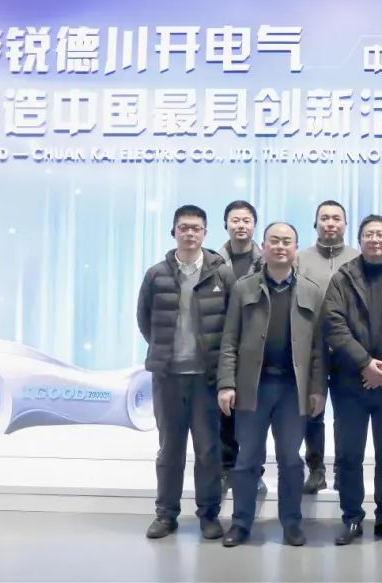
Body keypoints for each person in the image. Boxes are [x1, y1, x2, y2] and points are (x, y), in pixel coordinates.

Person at [216, 222, 326, 547]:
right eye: (274, 241)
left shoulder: (311, 291)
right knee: (247, 458)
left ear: (295, 248)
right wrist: (226, 383)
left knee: (290, 459)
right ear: (263, 246)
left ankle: (291, 524)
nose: (280, 246)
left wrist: (317, 389)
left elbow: (318, 349)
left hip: (293, 389)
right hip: (253, 387)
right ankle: (241, 524)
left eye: (286, 241)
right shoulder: (244, 288)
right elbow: (229, 340)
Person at [320, 215, 382, 546]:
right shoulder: (343, 277)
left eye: (380, 234)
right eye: (368, 234)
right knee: (348, 454)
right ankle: (351, 518)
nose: (374, 239)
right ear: (360, 240)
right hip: (349, 382)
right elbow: (333, 323)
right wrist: (364, 363)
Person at [137, 205, 235, 540]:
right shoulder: (156, 275)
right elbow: (145, 320)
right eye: (183, 228)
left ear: (205, 233)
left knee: (208, 450)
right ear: (174, 232)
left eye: (196, 228)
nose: (190, 233)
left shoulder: (222, 275)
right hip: (168, 377)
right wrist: (164, 351)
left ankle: (209, 515)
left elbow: (231, 325)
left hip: (206, 379)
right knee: (170, 450)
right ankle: (166, 515)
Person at [295, 200, 360, 494]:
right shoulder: (299, 259)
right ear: (316, 223)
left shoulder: (358, 258)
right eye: (324, 218)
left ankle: (343, 471)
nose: (330, 223)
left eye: (336, 218)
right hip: (310, 347)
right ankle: (316, 469)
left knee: (346, 416)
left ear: (345, 224)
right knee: (312, 412)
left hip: (348, 348)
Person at [216, 200, 265, 494]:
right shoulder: (213, 262)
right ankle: (225, 469)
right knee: (225, 412)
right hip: (222, 346)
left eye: (246, 220)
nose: (241, 225)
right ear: (226, 225)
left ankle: (253, 471)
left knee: (253, 416)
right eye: (235, 220)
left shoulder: (267, 260)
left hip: (256, 349)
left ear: (254, 225)